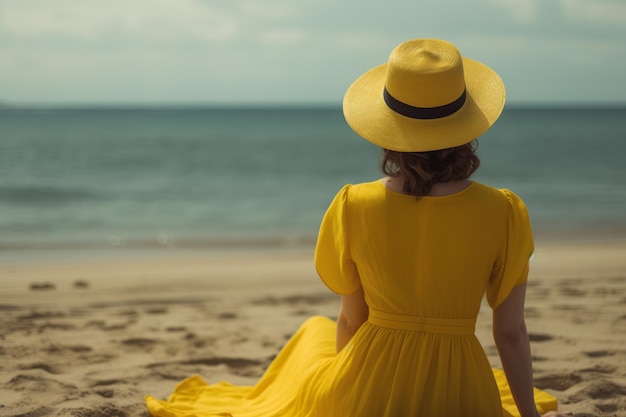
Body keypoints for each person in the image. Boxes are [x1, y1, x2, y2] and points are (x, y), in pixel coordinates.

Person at [146, 39, 573, 417]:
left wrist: (346, 388)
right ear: (466, 127)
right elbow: (510, 332)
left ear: (389, 129)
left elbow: (352, 322)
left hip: (367, 391)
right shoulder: (503, 211)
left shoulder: (354, 204)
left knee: (315, 331)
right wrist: (528, 415)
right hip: (461, 392)